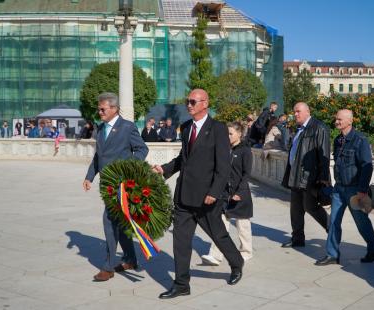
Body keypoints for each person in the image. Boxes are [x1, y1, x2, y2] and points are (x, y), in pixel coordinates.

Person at [152, 89, 244, 299]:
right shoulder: (185, 128)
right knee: (181, 241)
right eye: (188, 101)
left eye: (193, 101)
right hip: (184, 195)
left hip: (206, 198)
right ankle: (182, 283)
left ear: (205, 104)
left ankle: (236, 263)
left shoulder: (218, 128)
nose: (189, 105)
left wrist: (215, 191)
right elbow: (183, 159)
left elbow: (223, 166)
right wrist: (165, 169)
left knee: (218, 235)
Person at [83, 92, 148, 282]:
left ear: (114, 108)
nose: (99, 111)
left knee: (109, 222)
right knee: (121, 223)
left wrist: (126, 168)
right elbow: (99, 156)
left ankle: (108, 267)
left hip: (122, 185)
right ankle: (130, 259)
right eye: (99, 108)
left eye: (102, 109)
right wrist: (89, 176)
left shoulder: (127, 127)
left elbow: (142, 149)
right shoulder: (101, 128)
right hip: (107, 185)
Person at [315, 109, 374, 265]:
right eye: (336, 119)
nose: (336, 122)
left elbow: (367, 166)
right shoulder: (338, 140)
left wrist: (362, 190)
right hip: (339, 188)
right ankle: (332, 254)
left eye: (340, 119)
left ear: (350, 121)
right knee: (333, 221)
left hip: (354, 190)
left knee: (361, 222)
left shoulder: (360, 140)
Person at [201, 121, 254, 265]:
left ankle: (246, 252)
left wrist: (240, 192)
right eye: (226, 133)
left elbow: (247, 174)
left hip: (240, 196)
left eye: (230, 133)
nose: (228, 136)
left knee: (243, 226)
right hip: (224, 195)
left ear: (239, 134)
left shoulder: (245, 150)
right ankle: (216, 255)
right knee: (220, 225)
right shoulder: (224, 149)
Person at [281, 102, 331, 248]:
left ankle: (333, 231)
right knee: (295, 209)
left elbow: (324, 155)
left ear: (308, 111)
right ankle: (297, 238)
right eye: (294, 111)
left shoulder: (319, 128)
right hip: (295, 175)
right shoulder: (299, 129)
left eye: (298, 111)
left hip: (309, 177)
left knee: (310, 206)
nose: (295, 114)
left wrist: (323, 179)